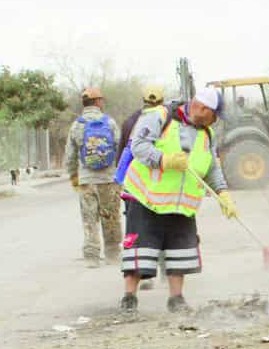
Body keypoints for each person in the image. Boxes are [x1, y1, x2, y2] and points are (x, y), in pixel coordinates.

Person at [117, 85, 239, 313]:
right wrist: (165, 160)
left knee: (179, 250)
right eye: (215, 115)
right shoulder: (159, 117)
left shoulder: (207, 134)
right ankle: (129, 298)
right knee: (140, 250)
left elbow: (212, 167)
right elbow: (139, 147)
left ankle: (176, 298)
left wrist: (223, 193)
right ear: (203, 108)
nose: (215, 121)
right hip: (146, 197)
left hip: (181, 203)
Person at [63, 86, 123, 268]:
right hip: (109, 179)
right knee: (111, 217)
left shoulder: (77, 125)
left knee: (89, 218)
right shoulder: (110, 123)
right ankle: (112, 253)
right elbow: (120, 149)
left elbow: (70, 156)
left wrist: (74, 177)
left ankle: (91, 256)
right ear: (98, 102)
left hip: (86, 181)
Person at [115, 85, 166, 288]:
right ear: (162, 100)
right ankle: (163, 271)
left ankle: (143, 275)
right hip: (158, 185)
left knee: (136, 231)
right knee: (163, 228)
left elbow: (122, 154)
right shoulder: (166, 121)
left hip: (133, 186)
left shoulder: (130, 121)